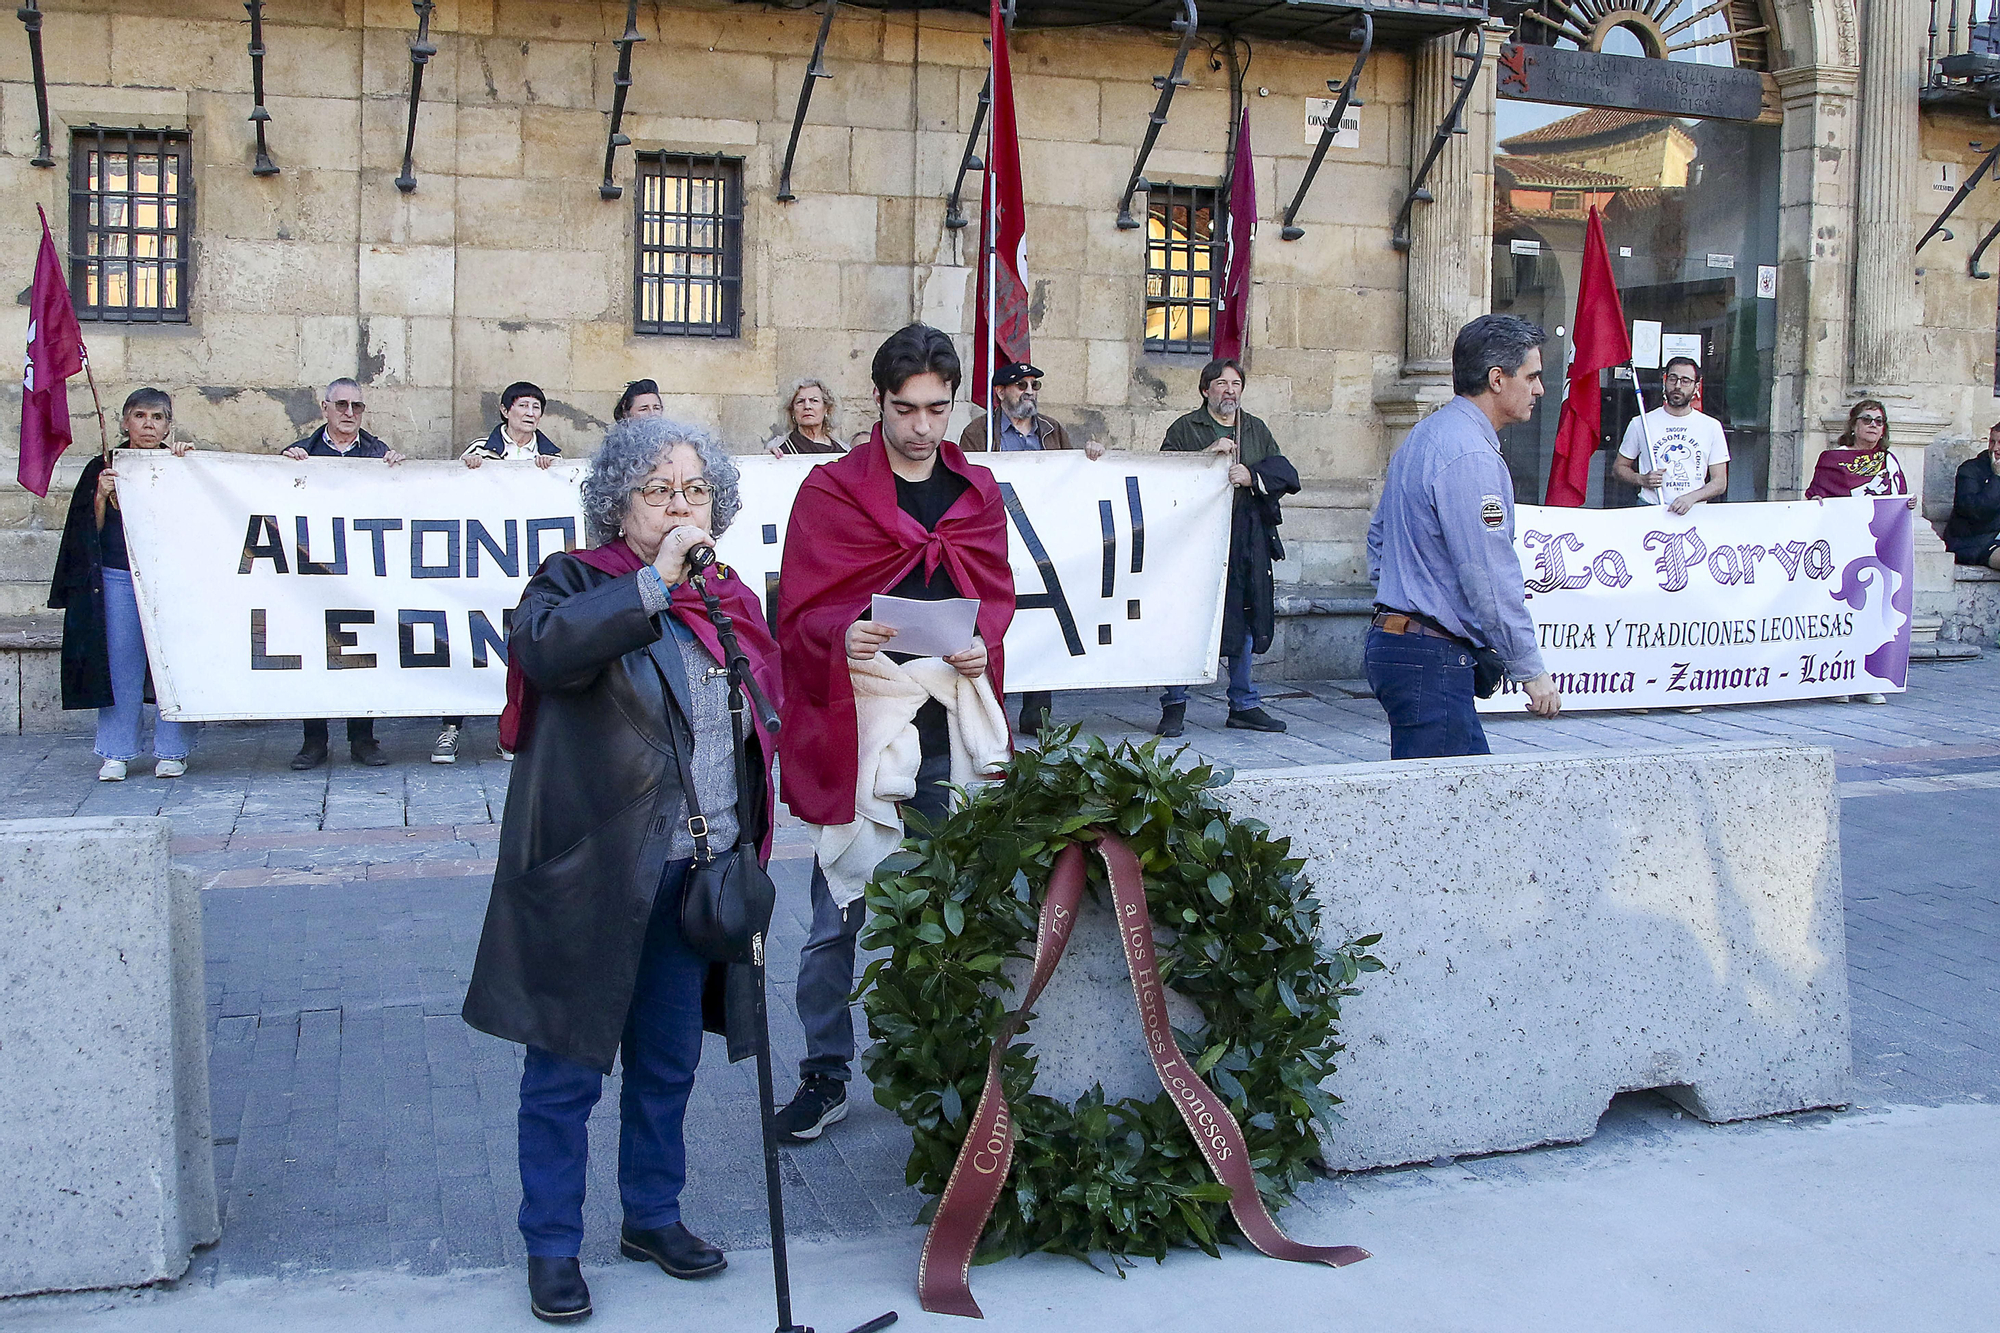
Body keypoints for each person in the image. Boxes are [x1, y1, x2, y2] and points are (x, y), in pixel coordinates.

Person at [461, 415, 781, 1326]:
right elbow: (543, 649)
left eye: (695, 492)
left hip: (696, 874)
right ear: (619, 505)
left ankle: (652, 1215)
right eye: (659, 491)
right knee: (564, 1069)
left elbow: (757, 717)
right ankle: (552, 1246)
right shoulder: (576, 583)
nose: (681, 507)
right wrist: (651, 583)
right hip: (595, 877)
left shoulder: (729, 601)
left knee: (669, 1060)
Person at [771, 324, 1015, 1145]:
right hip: (864, 714)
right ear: (877, 401)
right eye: (906, 409)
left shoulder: (976, 493)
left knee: (955, 900)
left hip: (947, 715)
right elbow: (799, 608)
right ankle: (825, 1072)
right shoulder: (831, 491)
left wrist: (986, 639)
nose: (921, 427)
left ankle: (946, 1069)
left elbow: (995, 595)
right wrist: (842, 632)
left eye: (937, 410)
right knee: (839, 902)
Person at [1366, 314, 1562, 758]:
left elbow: (1378, 539)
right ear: (1497, 379)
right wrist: (1530, 669)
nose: (1539, 389)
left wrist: (1408, 594)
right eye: (1531, 376)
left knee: (1462, 804)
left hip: (1406, 646)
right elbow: (1489, 576)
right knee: (1447, 813)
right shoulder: (1470, 454)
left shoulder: (1425, 435)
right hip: (1427, 656)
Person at [50, 388, 198, 781]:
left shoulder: (178, 463)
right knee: (121, 664)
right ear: (124, 421)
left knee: (174, 662)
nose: (148, 424)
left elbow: (197, 524)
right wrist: (101, 495)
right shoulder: (102, 467)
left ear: (169, 424)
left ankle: (173, 749)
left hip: (167, 579)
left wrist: (188, 467)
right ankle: (116, 751)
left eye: (157, 417)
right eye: (140, 416)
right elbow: (86, 536)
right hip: (117, 577)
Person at [957, 361, 1105, 737]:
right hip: (997, 539)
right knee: (998, 617)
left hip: (1043, 540)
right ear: (1000, 392)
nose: (1029, 391)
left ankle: (1037, 711)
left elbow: (1071, 477)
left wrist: (1088, 458)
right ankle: (992, 710)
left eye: (1034, 385)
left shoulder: (1053, 430)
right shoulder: (978, 433)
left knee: (1044, 618)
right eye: (1021, 385)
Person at [1155, 358, 1293, 737]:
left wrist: (1252, 475)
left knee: (1246, 621)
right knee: (1186, 619)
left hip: (1244, 541)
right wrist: (1206, 458)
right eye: (1220, 383)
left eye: (1235, 383)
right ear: (1205, 390)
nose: (1229, 390)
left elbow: (1284, 470)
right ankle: (1175, 703)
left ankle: (1244, 703)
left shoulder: (1256, 429)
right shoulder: (1186, 428)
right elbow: (1161, 476)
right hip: (1195, 542)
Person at [282, 378, 406, 769]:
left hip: (361, 576)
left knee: (362, 653)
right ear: (325, 408)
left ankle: (363, 738)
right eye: (342, 406)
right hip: (314, 573)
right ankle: (314, 740)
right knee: (314, 653)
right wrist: (281, 469)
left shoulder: (377, 452)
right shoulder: (301, 453)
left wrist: (398, 473)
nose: (349, 413)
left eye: (357, 407)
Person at [441, 382, 563, 764]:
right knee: (468, 636)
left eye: (537, 407)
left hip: (527, 563)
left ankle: (512, 731)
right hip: (484, 562)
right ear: (505, 410)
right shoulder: (480, 450)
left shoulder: (554, 456)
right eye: (523, 405)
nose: (530, 413)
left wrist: (553, 471)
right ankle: (450, 727)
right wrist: (471, 471)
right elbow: (455, 496)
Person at [1612, 356, 1729, 514]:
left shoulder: (1711, 426)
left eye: (1685, 380)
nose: (1678, 386)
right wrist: (1642, 479)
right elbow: (1619, 468)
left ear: (1696, 386)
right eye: (1673, 378)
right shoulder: (1641, 423)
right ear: (1665, 381)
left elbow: (1720, 482)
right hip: (1650, 508)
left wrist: (1691, 498)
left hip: (1694, 512)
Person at [1807, 400, 1907, 501]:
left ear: (1883, 430)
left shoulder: (1889, 461)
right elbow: (1816, 496)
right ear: (1853, 425)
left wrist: (1909, 502)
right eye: (1866, 420)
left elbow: (1900, 498)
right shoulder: (1832, 459)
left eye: (1879, 421)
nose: (1873, 424)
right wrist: (1815, 500)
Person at [1946, 421, 2000, 572]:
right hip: (1975, 541)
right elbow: (1977, 511)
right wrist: (1997, 478)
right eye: (1992, 442)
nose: (1995, 448)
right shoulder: (1970, 470)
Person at [766, 377, 845, 455]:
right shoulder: (779, 447)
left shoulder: (843, 450)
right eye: (800, 401)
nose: (807, 406)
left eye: (814, 400)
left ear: (826, 409)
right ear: (792, 411)